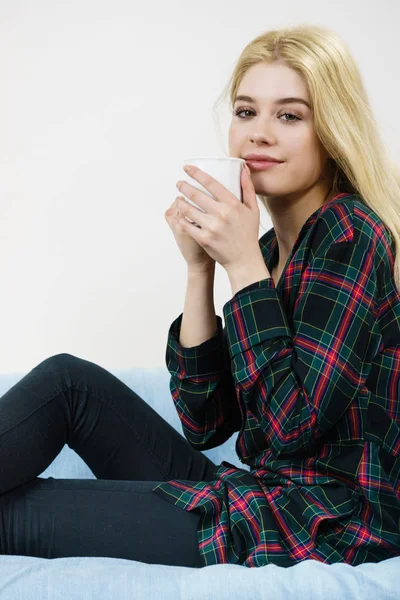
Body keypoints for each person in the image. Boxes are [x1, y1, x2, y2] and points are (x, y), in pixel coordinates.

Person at [1, 23, 400, 569]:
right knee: (67, 381)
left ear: (331, 132)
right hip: (255, 496)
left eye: (289, 115)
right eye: (245, 112)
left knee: (15, 511)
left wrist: (240, 265)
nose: (258, 133)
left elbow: (289, 428)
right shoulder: (266, 250)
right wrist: (200, 269)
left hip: (316, 525)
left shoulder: (350, 235)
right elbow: (206, 423)